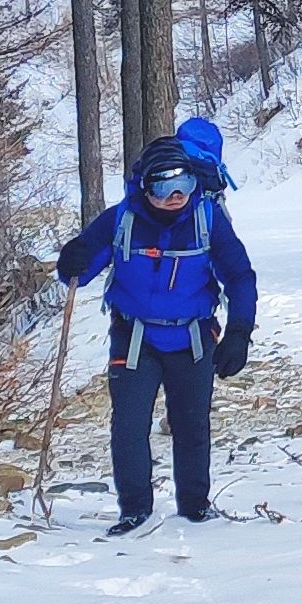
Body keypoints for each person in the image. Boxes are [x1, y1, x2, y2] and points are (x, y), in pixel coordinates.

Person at [55, 119, 258, 533]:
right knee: (129, 427)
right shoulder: (121, 220)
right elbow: (81, 270)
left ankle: (195, 507)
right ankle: (135, 509)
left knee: (192, 426)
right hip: (135, 339)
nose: (176, 196)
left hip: (193, 337)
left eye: (183, 183)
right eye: (165, 187)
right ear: (146, 188)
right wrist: (70, 259)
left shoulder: (207, 219)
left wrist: (239, 331)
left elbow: (239, 276)